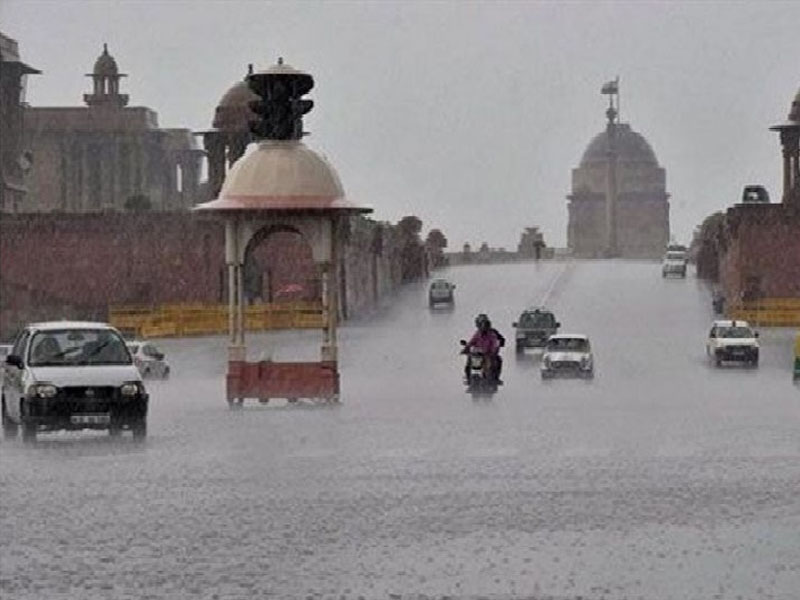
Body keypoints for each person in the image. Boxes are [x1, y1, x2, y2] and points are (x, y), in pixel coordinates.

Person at [463, 314, 503, 383]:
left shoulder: (492, 334)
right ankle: (468, 377)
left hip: (487, 354)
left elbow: (495, 344)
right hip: (476, 354)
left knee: (497, 362)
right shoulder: (478, 333)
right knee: (468, 363)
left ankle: (495, 378)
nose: (483, 328)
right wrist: (466, 348)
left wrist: (493, 351)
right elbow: (472, 341)